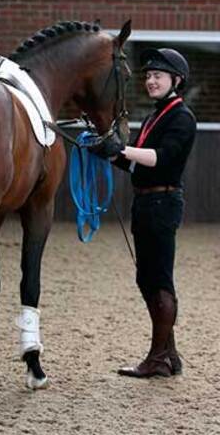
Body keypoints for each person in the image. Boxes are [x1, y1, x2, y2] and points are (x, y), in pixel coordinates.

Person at [98, 48, 196, 378]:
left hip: (162, 204)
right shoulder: (155, 115)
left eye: (158, 75)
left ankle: (157, 358)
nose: (151, 80)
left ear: (176, 81)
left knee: (159, 280)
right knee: (147, 279)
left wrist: (121, 147)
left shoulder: (181, 117)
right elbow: (132, 162)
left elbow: (161, 157)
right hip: (145, 203)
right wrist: (106, 152)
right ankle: (169, 355)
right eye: (149, 76)